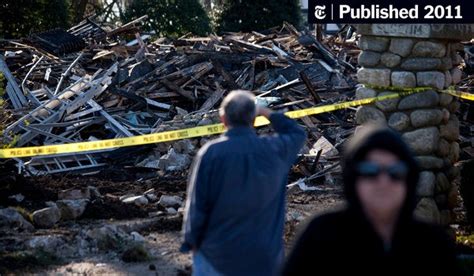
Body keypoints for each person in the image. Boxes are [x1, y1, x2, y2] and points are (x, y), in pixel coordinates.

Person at [283, 124, 462, 276]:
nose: (383, 182)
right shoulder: (321, 234)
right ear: (353, 178)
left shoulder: (430, 243)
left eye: (395, 173)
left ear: (409, 179)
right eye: (370, 171)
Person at [181, 90, 306, 276]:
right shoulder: (275, 150)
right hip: (264, 258)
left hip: (216, 256)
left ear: (223, 119)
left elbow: (198, 203)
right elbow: (296, 132)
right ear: (253, 119)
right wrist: (266, 112)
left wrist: (190, 240)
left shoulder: (210, 154)